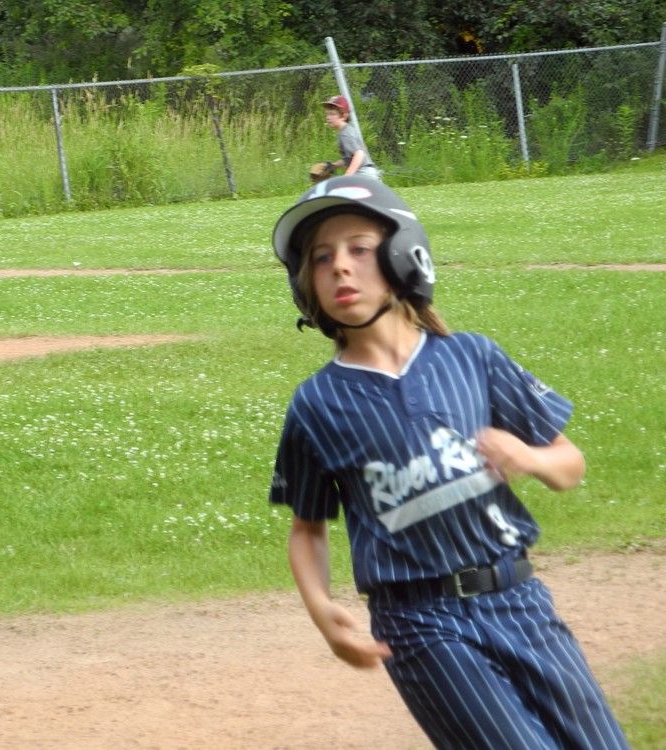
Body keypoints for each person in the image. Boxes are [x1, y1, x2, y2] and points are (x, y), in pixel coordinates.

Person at [268, 175, 628, 749]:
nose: (340, 267)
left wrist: (528, 456)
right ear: (304, 282)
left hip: (520, 601)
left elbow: (570, 464)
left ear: (402, 257)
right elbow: (307, 527)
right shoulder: (318, 403)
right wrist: (320, 607)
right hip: (421, 623)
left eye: (359, 249)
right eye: (321, 257)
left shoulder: (471, 357)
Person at [322, 94, 381, 179]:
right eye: (327, 114)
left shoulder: (345, 134)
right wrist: (334, 165)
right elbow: (349, 159)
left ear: (344, 116)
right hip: (367, 173)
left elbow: (359, 154)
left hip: (363, 174)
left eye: (332, 114)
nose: (328, 117)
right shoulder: (346, 131)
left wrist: (348, 176)